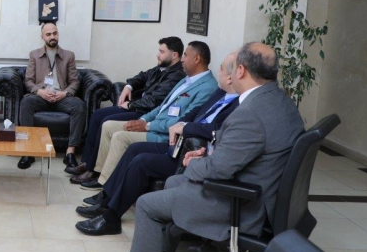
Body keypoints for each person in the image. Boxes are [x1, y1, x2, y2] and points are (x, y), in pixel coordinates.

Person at [102, 43, 304, 252]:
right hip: (262, 194)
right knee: (173, 182)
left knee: (148, 204)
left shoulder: (250, 113)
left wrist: (194, 163)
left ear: (241, 71)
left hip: (241, 204)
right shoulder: (281, 102)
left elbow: (218, 169)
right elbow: (247, 146)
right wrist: (209, 153)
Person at [75, 52, 240, 237]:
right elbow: (194, 112)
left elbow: (217, 129)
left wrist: (184, 128)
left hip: (192, 156)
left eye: (221, 68)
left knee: (141, 161)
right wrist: (181, 124)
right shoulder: (220, 93)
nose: (218, 71)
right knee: (134, 149)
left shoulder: (237, 103)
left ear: (232, 76)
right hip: (178, 145)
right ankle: (107, 201)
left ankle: (111, 217)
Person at [74, 41, 217, 189]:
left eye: (185, 55)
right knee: (108, 125)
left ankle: (104, 184)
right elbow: (162, 107)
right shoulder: (185, 79)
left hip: (163, 135)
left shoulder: (207, 87)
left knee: (119, 137)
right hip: (152, 122)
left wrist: (147, 126)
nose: (182, 59)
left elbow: (182, 122)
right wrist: (143, 119)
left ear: (197, 58)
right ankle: (97, 171)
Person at [66, 37, 184, 177]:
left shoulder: (176, 75)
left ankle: (93, 170)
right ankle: (87, 163)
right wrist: (129, 86)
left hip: (146, 113)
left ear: (174, 55)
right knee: (97, 115)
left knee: (105, 120)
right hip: (138, 106)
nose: (158, 55)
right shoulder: (162, 67)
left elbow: (154, 101)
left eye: (162, 52)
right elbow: (141, 76)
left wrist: (131, 104)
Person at [17, 22, 86, 169]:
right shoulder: (34, 55)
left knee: (79, 106)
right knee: (26, 103)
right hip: (41, 97)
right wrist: (40, 92)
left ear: (58, 34)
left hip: (61, 97)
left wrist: (64, 93)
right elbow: (28, 81)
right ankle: (28, 151)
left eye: (54, 33)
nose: (52, 36)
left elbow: (74, 81)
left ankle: (70, 152)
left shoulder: (68, 55)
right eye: (48, 34)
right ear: (42, 37)